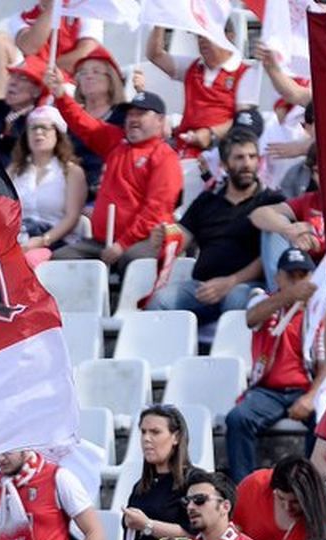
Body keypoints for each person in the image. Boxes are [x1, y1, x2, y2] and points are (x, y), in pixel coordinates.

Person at [149, 130, 282, 325]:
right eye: (239, 157)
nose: (247, 164)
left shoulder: (272, 202)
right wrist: (163, 240)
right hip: (202, 287)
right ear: (224, 165)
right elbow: (180, 239)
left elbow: (268, 256)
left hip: (246, 286)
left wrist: (231, 282)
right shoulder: (206, 201)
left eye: (252, 157)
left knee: (236, 299)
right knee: (159, 302)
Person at [49, 77, 181, 267]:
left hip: (143, 241)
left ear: (160, 120)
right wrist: (61, 96)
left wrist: (122, 245)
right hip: (102, 241)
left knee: (130, 261)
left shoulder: (165, 156)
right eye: (130, 114)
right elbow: (83, 123)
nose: (133, 119)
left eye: (141, 114)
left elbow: (156, 211)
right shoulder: (116, 141)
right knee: (59, 260)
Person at [224, 250, 324, 480]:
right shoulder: (265, 298)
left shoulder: (320, 310)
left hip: (307, 388)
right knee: (238, 419)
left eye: (303, 275)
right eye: (291, 275)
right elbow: (251, 318)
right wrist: (289, 296)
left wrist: (310, 397)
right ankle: (244, 490)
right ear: (278, 277)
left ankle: (313, 487)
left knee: (325, 418)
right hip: (268, 391)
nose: (298, 281)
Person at [141, 28, 244, 159]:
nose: (202, 41)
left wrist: (211, 134)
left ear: (229, 36)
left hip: (221, 152)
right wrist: (159, 22)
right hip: (185, 149)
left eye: (208, 35)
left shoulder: (244, 72)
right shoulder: (192, 66)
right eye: (199, 36)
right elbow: (155, 55)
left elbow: (245, 119)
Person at [121, 406, 193, 540]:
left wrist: (147, 525)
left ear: (176, 437)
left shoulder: (194, 482)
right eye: (143, 432)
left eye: (155, 432)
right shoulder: (141, 486)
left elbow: (195, 535)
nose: (146, 439)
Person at [9, 106, 87, 253]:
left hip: (55, 241)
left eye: (45, 127)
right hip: (19, 238)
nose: (38, 132)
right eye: (33, 128)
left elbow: (72, 217)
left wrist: (44, 240)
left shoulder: (72, 172)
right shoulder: (14, 171)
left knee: (29, 262)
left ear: (57, 134)